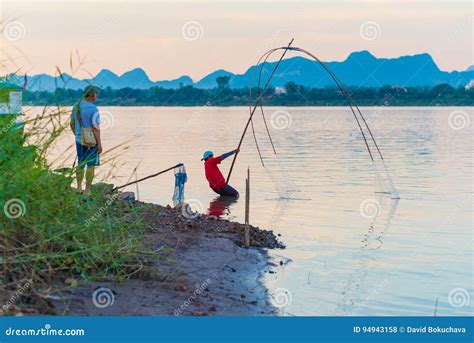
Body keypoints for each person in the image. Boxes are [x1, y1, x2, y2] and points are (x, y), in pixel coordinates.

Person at [70, 85, 103, 194]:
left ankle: (79, 187)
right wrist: (99, 144)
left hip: (79, 139)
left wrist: (77, 134)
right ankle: (87, 189)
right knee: (91, 165)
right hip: (91, 141)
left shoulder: (76, 106)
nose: (97, 96)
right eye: (96, 94)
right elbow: (95, 128)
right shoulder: (93, 108)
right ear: (93, 95)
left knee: (81, 163)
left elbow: (71, 124)